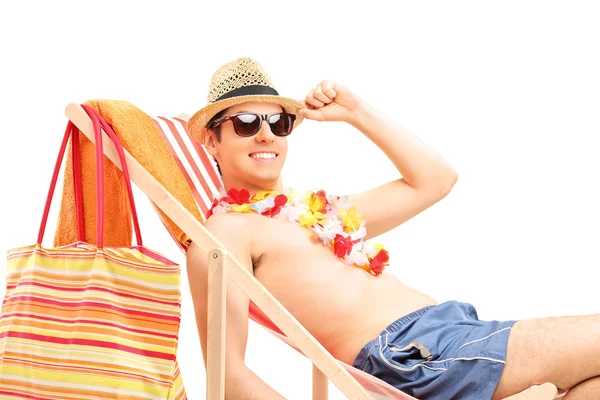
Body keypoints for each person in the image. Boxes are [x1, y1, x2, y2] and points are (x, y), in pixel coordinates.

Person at [184, 57, 599, 399]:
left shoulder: (315, 213)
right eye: (245, 123)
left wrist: (355, 112)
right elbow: (228, 374)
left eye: (278, 124)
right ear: (211, 140)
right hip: (416, 356)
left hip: (452, 333)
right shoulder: (224, 233)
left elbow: (436, 180)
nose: (266, 135)